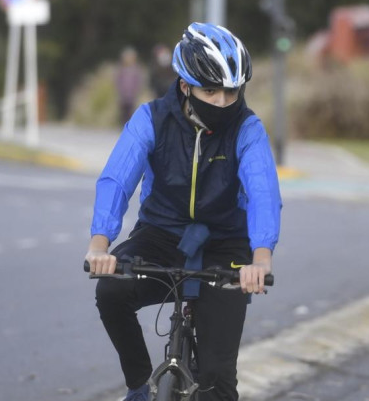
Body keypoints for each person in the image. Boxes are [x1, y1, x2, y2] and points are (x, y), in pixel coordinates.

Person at [85, 23, 282, 401]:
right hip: (160, 234)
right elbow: (117, 178)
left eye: (231, 91)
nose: (223, 102)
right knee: (111, 292)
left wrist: (261, 259)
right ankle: (140, 384)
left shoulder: (247, 128)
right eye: (211, 91)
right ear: (185, 85)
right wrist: (99, 245)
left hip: (227, 244)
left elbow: (262, 193)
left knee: (216, 379)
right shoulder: (151, 118)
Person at [115, 46, 144, 126]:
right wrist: (119, 91)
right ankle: (122, 126)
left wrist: (137, 91)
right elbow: (118, 81)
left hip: (132, 95)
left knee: (130, 112)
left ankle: (129, 126)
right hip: (123, 95)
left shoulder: (136, 69)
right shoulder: (121, 69)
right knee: (123, 112)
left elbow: (139, 82)